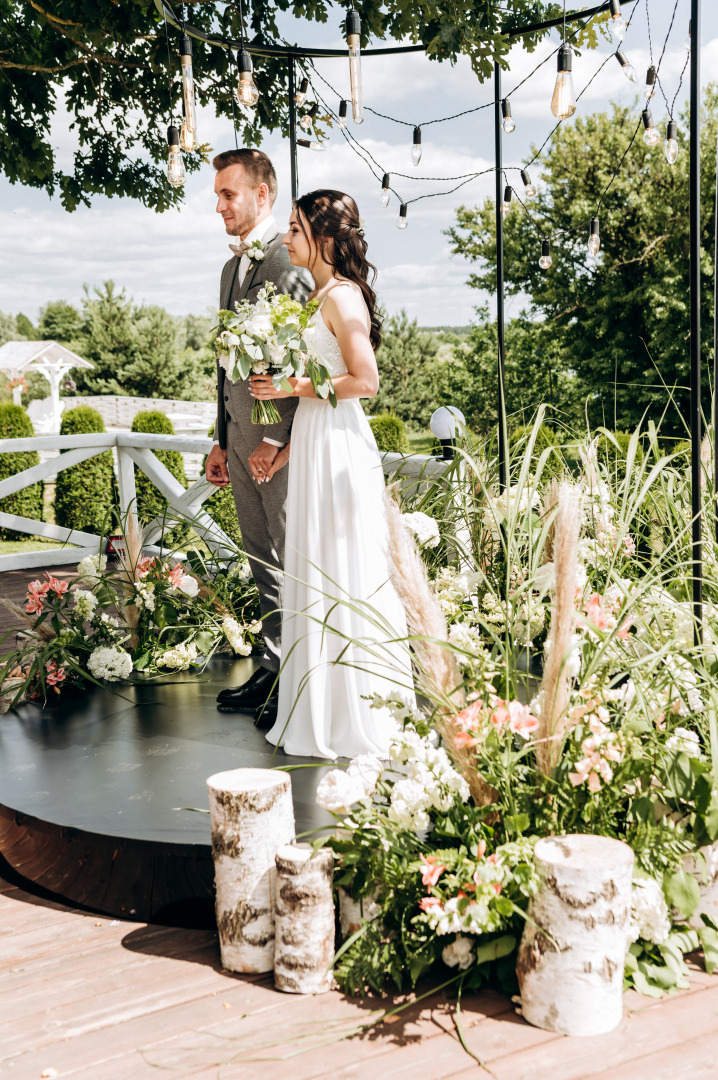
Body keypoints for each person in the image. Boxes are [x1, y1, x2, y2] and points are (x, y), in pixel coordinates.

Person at [249, 189, 414, 760]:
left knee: (345, 569)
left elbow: (365, 382)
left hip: (342, 450)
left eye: (294, 229)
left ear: (321, 238)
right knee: (316, 568)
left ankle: (360, 714)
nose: (287, 239)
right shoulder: (318, 295)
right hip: (316, 442)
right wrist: (282, 449)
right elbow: (322, 394)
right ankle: (318, 706)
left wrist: (293, 386)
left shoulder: (342, 299)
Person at [205, 149, 310, 726]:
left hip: (276, 447)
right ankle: (272, 670)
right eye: (218, 196)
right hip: (239, 443)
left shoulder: (287, 262)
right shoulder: (229, 270)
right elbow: (227, 363)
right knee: (260, 559)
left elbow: (291, 360)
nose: (219, 206)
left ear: (263, 195)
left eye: (229, 194)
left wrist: (273, 438)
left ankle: (300, 684)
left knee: (292, 559)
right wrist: (220, 439)